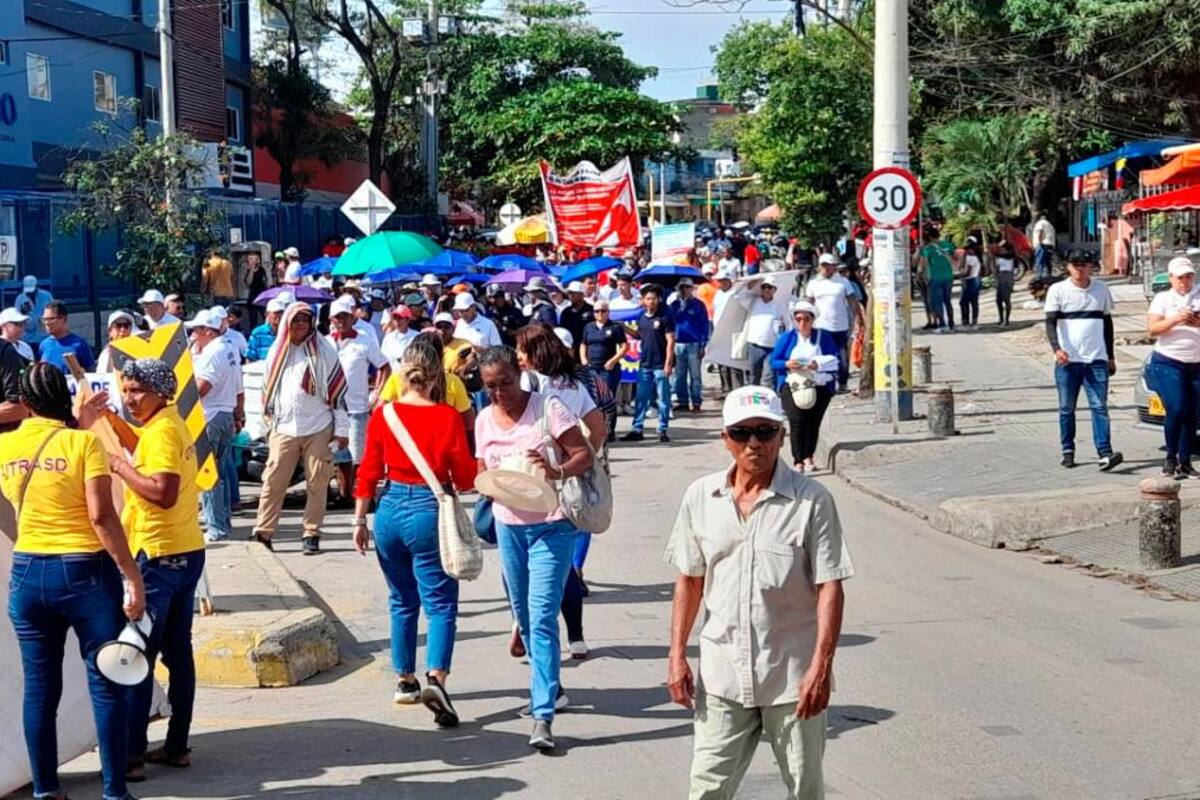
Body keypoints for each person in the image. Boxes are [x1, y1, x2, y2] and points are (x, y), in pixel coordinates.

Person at [665, 384, 854, 800]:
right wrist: (677, 655)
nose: (754, 443)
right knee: (706, 790)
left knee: (805, 789)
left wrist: (821, 668)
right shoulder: (701, 497)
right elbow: (690, 580)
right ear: (725, 440)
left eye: (766, 432)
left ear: (782, 436)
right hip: (722, 675)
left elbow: (830, 586)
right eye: (742, 433)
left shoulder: (812, 501)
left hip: (791, 678)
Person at [1, 363, 145, 800]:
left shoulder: (5, 447)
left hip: (27, 573)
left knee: (40, 689)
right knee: (106, 681)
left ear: (24, 404)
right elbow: (102, 517)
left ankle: (46, 790)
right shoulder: (83, 444)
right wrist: (132, 576)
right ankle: (114, 791)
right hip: (85, 572)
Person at [474, 346, 594, 751]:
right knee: (524, 619)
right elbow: (481, 473)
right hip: (510, 529)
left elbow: (583, 454)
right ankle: (552, 685)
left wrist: (555, 469)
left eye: (505, 383)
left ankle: (542, 715)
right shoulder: (483, 420)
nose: (499, 393)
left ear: (520, 374)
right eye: (490, 387)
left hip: (552, 526)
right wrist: (495, 479)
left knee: (542, 617)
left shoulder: (548, 408)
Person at [353, 337, 476, 726]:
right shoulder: (447, 417)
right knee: (440, 603)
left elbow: (368, 471)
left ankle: (404, 680)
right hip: (428, 510)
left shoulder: (383, 416)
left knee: (401, 601)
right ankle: (436, 677)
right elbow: (465, 476)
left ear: (403, 373)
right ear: (438, 374)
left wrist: (358, 520)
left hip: (388, 511)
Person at [110, 358, 206, 780]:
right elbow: (141, 444)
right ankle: (177, 746)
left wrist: (121, 469)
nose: (130, 398)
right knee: (177, 653)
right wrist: (111, 420)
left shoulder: (164, 432)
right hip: (185, 551)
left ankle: (130, 757)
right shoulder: (166, 424)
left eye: (137, 392)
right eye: (126, 390)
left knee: (136, 655)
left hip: (159, 558)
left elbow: (162, 493)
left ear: (160, 392)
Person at [515, 325, 609, 659]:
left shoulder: (529, 384)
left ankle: (534, 636)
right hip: (569, 481)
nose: (517, 356)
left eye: (521, 350)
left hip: (538, 479)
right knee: (563, 563)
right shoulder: (572, 384)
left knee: (534, 565)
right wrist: (581, 461)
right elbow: (598, 428)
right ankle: (576, 637)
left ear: (534, 353)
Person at [252, 302, 349, 554]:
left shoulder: (325, 349)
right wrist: (268, 426)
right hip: (284, 426)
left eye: (305, 320)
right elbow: (268, 389)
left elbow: (338, 393)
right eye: (296, 320)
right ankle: (263, 531)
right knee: (273, 480)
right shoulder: (277, 350)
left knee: (318, 481)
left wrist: (342, 431)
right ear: (287, 323)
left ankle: (311, 533)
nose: (301, 325)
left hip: (319, 425)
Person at [1045, 249, 1123, 471]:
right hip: (1068, 360)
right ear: (1068, 267)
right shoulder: (1058, 290)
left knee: (1099, 406)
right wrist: (1056, 349)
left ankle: (1105, 451)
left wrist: (1110, 355)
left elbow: (1107, 323)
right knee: (1066, 408)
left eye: (1084, 264)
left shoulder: (1101, 289)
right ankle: (1068, 450)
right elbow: (1050, 322)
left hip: (1096, 358)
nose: (1080, 269)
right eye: (1075, 264)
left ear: (1091, 267)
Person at [188, 309, 244, 543]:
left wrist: (182, 402)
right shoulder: (229, 348)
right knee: (219, 473)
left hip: (209, 416)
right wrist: (238, 415)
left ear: (207, 331)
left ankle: (216, 526)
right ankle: (223, 522)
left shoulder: (212, 352)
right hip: (225, 414)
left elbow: (203, 386)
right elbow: (239, 390)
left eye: (196, 331)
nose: (192, 335)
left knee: (208, 474)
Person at [328, 294, 390, 502]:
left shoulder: (364, 340)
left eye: (345, 317)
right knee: (339, 454)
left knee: (358, 456)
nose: (341, 321)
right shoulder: (326, 343)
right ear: (331, 320)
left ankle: (365, 495)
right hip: (333, 409)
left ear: (352, 318)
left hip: (357, 408)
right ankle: (346, 495)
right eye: (337, 318)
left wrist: (376, 394)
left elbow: (384, 366)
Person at [1147, 255, 1200, 478]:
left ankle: (1185, 461)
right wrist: (1177, 319)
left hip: (1195, 363)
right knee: (1176, 408)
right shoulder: (1162, 299)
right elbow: (1152, 329)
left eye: (1188, 277)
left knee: (1192, 413)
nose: (1184, 282)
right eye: (1180, 278)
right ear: (1171, 278)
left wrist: (1196, 321)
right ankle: (1171, 455)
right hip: (1168, 361)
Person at [771, 301, 839, 471]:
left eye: (806, 319)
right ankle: (798, 459)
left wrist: (818, 365)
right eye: (798, 319)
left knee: (813, 422)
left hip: (819, 385)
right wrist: (788, 364)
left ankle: (809, 456)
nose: (802, 323)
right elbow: (774, 361)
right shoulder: (788, 337)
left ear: (812, 320)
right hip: (792, 384)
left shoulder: (823, 337)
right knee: (797, 421)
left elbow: (835, 358)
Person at [621, 284, 676, 444]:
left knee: (663, 399)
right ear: (643, 300)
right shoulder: (641, 317)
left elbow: (671, 341)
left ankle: (662, 429)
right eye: (648, 299)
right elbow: (639, 335)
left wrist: (668, 363)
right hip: (645, 363)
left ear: (658, 300)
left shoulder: (665, 316)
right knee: (641, 398)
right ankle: (637, 429)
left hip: (660, 365)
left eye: (653, 298)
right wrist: (624, 327)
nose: (651, 302)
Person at [579, 299, 628, 440]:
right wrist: (583, 360)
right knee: (593, 401)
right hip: (592, 369)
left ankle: (610, 431)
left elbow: (624, 347)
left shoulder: (615, 327)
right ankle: (595, 431)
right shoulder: (588, 327)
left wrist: (613, 361)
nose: (600, 313)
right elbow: (583, 344)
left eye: (603, 311)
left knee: (608, 401)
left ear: (608, 312)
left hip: (608, 370)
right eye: (597, 311)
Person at [670, 278, 710, 413]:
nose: (684, 290)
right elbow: (670, 324)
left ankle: (696, 401)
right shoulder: (674, 305)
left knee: (695, 375)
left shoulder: (699, 304)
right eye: (682, 287)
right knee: (679, 375)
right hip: (678, 343)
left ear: (692, 288)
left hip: (694, 344)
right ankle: (682, 402)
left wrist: (703, 345)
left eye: (687, 287)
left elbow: (705, 325)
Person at [740, 277, 785, 387]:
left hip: (772, 347)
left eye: (769, 287)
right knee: (753, 377)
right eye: (764, 287)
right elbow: (739, 297)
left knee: (768, 378)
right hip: (754, 346)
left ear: (774, 290)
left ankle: (769, 401)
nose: (766, 290)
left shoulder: (780, 306)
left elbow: (788, 324)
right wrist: (749, 286)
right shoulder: (753, 302)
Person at [917, 229, 957, 333]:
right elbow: (955, 258)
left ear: (929, 237)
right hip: (948, 276)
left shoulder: (927, 249)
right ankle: (951, 324)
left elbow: (922, 265)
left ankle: (942, 324)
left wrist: (919, 275)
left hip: (935, 278)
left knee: (938, 302)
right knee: (947, 301)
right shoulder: (948, 245)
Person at [38, 300, 96, 372]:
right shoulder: (44, 345)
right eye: (44, 319)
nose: (47, 323)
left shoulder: (79, 344)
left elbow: (91, 372)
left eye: (51, 319)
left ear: (63, 319)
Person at [14, 275, 53, 354]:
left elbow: (54, 311)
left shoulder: (46, 296)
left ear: (37, 286)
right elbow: (17, 319)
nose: (30, 293)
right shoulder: (20, 299)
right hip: (27, 338)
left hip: (44, 336)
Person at [381, 304, 419, 370]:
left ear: (407, 320)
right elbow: (382, 361)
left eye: (401, 318)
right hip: (390, 378)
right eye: (395, 318)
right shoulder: (388, 338)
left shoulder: (417, 336)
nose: (398, 321)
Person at [558, 281, 595, 347]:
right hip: (570, 347)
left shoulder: (591, 310)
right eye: (569, 293)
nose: (570, 295)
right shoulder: (566, 312)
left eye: (573, 293)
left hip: (587, 347)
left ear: (581, 294)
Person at [959, 238, 983, 329]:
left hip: (970, 281)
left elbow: (967, 272)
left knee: (963, 302)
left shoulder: (970, 258)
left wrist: (959, 276)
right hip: (976, 279)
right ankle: (974, 321)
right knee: (974, 302)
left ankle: (965, 322)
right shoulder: (977, 257)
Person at [995, 237, 1017, 326]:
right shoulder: (1001, 256)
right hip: (1001, 275)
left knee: (1006, 299)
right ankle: (1001, 318)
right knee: (998, 299)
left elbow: (1009, 255)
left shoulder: (1010, 255)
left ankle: (1006, 319)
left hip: (1007, 275)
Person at [1032, 212, 1056, 280]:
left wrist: (1039, 242)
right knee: (1047, 262)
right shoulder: (1050, 225)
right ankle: (1048, 277)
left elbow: (1040, 231)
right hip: (1050, 245)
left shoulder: (1041, 223)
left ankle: (1038, 277)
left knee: (1040, 262)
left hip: (1043, 245)